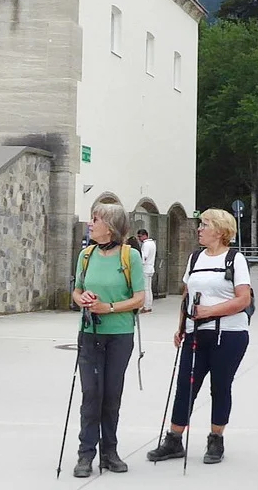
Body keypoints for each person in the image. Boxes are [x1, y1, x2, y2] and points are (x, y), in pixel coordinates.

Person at [146, 208, 252, 466]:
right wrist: (181, 326)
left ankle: (216, 439)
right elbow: (187, 295)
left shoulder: (234, 259)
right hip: (196, 333)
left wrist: (210, 311)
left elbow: (243, 299)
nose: (199, 229)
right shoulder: (195, 258)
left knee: (220, 386)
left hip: (229, 334)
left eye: (204, 224)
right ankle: (174, 439)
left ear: (219, 229)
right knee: (185, 385)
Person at [69, 203, 146, 477]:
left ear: (110, 226)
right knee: (91, 394)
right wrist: (84, 299)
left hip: (119, 334)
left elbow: (139, 298)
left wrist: (109, 308)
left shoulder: (130, 256)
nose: (90, 224)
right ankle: (85, 454)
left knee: (111, 394)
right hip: (89, 333)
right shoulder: (86, 255)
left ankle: (110, 452)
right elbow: (76, 291)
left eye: (95, 219)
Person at [137, 229, 157, 313]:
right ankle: (149, 305)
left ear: (145, 235)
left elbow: (143, 257)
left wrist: (140, 264)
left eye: (140, 236)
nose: (139, 238)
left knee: (146, 289)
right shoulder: (152, 243)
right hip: (151, 267)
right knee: (149, 288)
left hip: (145, 268)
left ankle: (146, 306)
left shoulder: (146, 244)